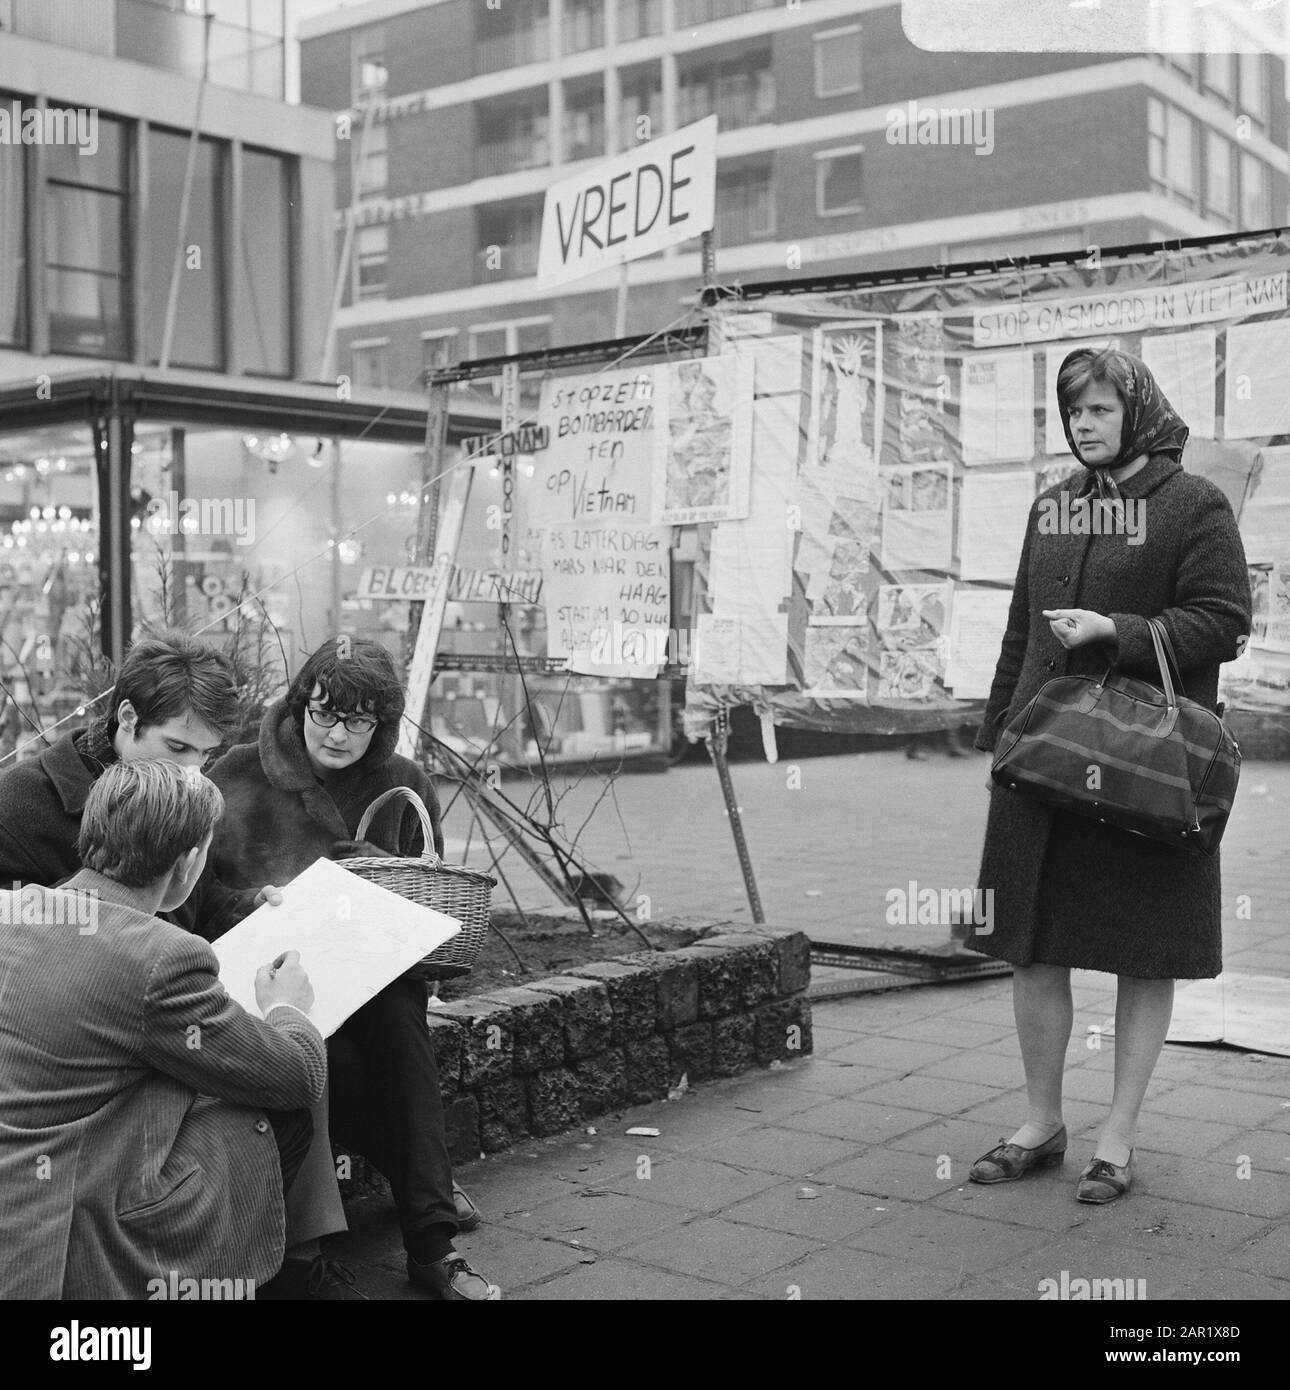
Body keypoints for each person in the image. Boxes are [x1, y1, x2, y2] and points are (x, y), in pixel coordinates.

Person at [968, 347, 1251, 1203]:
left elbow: (1225, 620)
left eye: (1097, 409)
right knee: (1031, 948)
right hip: (1042, 763)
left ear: (1137, 411)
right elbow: (1021, 629)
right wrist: (997, 737)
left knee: (1142, 951)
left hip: (1142, 770)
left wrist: (1115, 631)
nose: (1083, 425)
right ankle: (1040, 1122)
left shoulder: (1192, 504)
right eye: (1072, 412)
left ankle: (1117, 1139)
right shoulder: (1051, 507)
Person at [200, 636, 499, 1300]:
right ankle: (320, 1252)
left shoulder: (404, 783)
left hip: (374, 978)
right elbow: (194, 898)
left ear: (381, 723)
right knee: (334, 1053)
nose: (338, 734)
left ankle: (432, 1244)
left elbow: (428, 897)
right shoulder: (239, 773)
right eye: (325, 713)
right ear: (301, 704)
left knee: (400, 1021)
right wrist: (255, 902)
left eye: (358, 720)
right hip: (270, 981)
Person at [0, 759, 325, 1299]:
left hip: (26, 1186)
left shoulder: (13, 909)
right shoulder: (161, 957)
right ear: (189, 861)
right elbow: (297, 1075)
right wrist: (286, 1009)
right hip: (65, 1230)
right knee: (272, 1118)